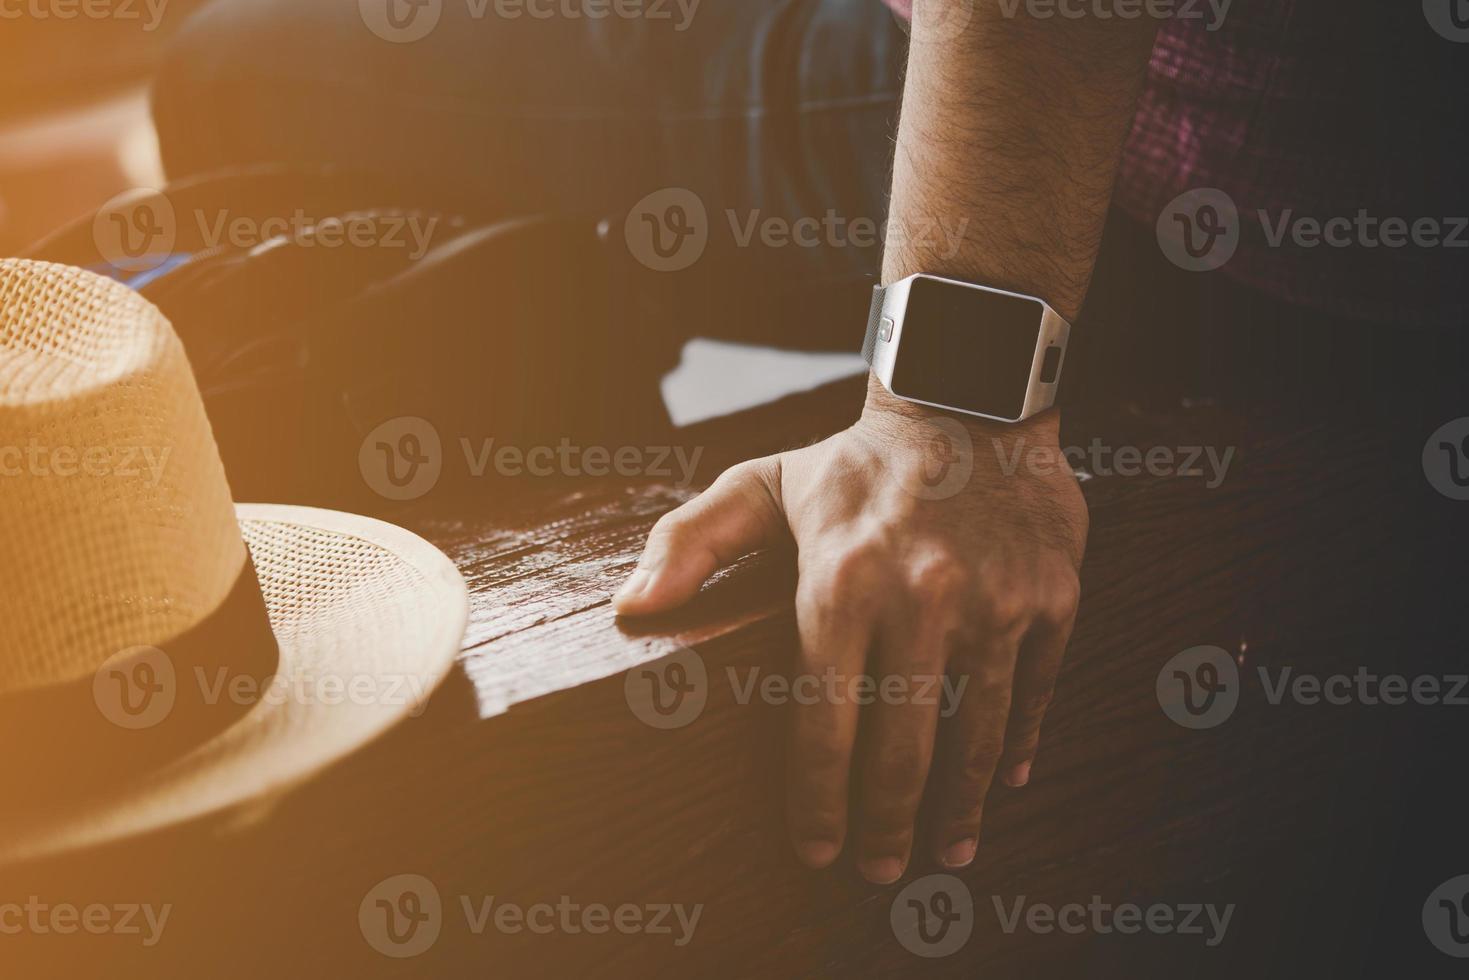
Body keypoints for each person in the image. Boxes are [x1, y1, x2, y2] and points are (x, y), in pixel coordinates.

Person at [152, 0, 1465, 885]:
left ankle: (614, 307)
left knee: (240, 56)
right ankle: (617, 303)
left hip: (1193, 170)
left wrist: (953, 417)